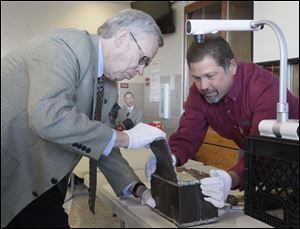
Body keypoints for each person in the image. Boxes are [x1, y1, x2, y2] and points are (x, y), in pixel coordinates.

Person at [1, 9, 165, 228]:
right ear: (123, 37)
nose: (141, 70)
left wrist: (138, 188)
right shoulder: (62, 47)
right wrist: (126, 138)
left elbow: (102, 143)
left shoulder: (107, 84)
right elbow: (48, 118)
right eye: (143, 59)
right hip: (11, 172)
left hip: (36, 180)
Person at [145, 35, 299, 208]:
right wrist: (168, 158)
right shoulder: (198, 93)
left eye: (210, 75)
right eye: (197, 78)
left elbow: (264, 149)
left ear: (231, 67)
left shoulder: (263, 87)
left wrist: (230, 177)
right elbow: (187, 134)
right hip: (259, 162)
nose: (203, 86)